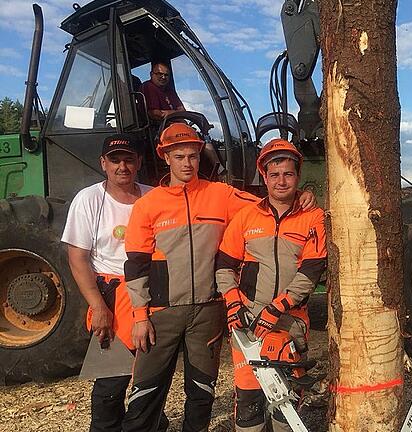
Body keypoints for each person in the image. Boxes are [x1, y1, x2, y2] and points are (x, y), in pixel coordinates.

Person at [121, 123, 315, 431]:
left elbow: (268, 205)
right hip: (163, 312)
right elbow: (135, 265)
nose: (187, 163)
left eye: (193, 156)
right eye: (179, 156)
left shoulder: (221, 195)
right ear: (165, 158)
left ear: (200, 157)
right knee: (146, 390)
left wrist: (301, 195)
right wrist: (140, 315)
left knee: (201, 392)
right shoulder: (148, 205)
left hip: (209, 311)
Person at [216, 138, 327, 432]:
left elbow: (312, 270)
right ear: (263, 176)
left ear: (298, 176)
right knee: (250, 404)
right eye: (274, 174)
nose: (281, 181)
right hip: (249, 321)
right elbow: (224, 265)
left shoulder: (312, 217)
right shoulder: (246, 216)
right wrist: (232, 302)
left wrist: (279, 307)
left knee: (287, 405)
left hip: (290, 321)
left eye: (288, 174)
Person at [61, 134, 168, 432]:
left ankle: (151, 425)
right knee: (111, 381)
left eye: (129, 159)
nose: (122, 166)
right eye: (115, 160)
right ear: (103, 164)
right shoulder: (89, 199)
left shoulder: (154, 197)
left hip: (153, 292)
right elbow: (78, 258)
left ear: (139, 163)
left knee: (150, 377)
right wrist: (98, 306)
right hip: (112, 295)